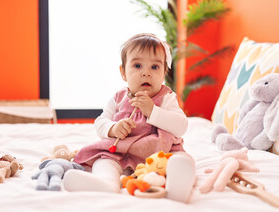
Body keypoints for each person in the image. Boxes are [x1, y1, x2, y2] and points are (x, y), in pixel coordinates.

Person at [63, 33, 196, 203]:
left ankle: (177, 187)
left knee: (183, 160)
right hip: (123, 154)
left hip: (161, 154)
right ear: (123, 72)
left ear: (164, 73)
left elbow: (181, 127)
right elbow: (100, 122)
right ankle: (106, 183)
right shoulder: (118, 98)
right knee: (104, 162)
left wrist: (152, 111)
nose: (146, 73)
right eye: (138, 65)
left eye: (155, 67)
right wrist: (113, 128)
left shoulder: (166, 98)